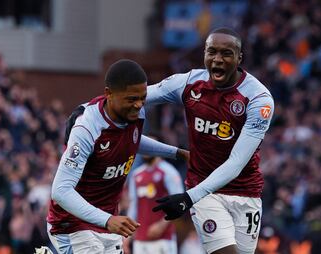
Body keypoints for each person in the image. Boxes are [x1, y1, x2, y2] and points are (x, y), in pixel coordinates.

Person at [149, 27, 275, 254]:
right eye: (211, 52)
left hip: (246, 193)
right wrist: (91, 108)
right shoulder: (188, 83)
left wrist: (187, 198)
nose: (217, 59)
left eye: (226, 53)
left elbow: (236, 163)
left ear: (239, 58)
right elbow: (138, 96)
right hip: (205, 191)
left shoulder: (258, 98)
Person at [46, 59, 188, 254]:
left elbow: (134, 139)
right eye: (132, 99)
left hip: (108, 222)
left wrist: (177, 153)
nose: (138, 105)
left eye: (142, 98)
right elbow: (60, 191)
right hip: (73, 225)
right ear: (108, 94)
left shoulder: (133, 109)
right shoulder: (87, 128)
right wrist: (108, 220)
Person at [125, 139, 184, 254]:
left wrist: (162, 224)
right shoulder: (136, 175)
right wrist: (127, 235)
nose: (146, 151)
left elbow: (180, 203)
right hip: (140, 239)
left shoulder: (168, 172)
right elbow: (133, 206)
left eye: (150, 147)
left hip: (163, 238)